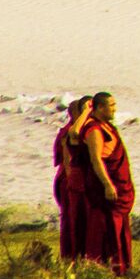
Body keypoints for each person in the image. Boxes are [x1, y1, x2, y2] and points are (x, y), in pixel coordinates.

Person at [73, 91, 135, 276]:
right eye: (112, 105)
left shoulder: (107, 127)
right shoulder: (94, 130)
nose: (115, 109)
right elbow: (96, 159)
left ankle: (123, 267)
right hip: (107, 187)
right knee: (110, 228)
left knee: (120, 226)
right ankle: (111, 267)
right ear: (100, 108)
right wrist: (108, 184)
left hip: (120, 184)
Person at [51, 97, 89, 262]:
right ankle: (72, 256)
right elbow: (67, 160)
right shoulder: (70, 131)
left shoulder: (77, 129)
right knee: (72, 220)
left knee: (71, 219)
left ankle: (72, 256)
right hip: (70, 180)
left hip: (68, 179)